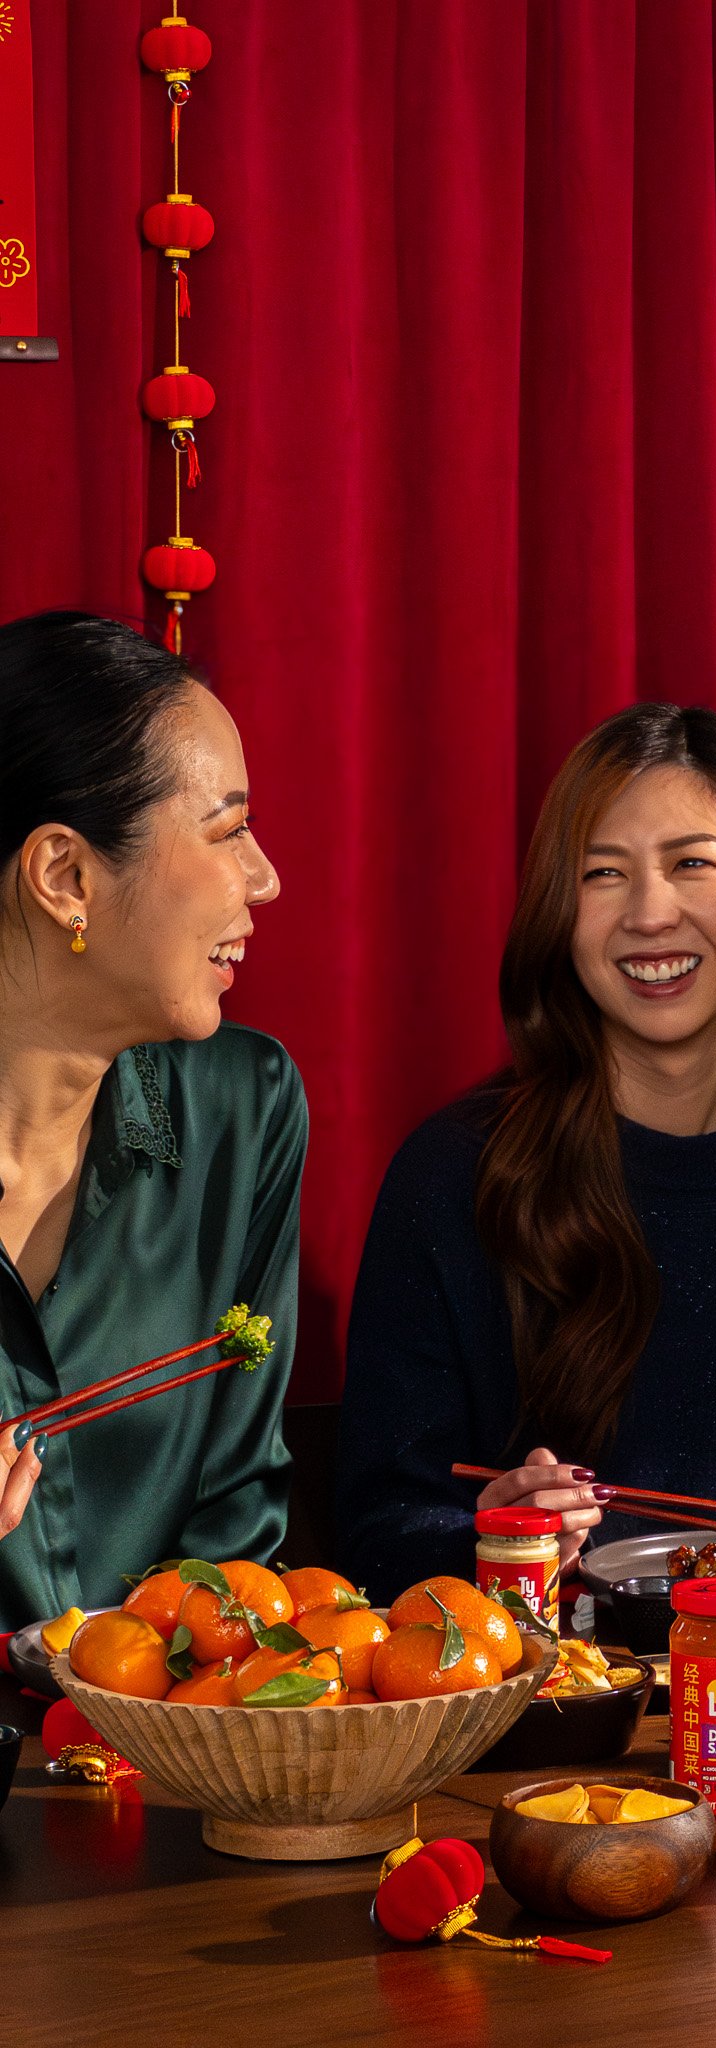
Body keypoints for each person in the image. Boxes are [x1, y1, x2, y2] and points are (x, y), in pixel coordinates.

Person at [338, 703, 716, 1597]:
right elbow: (371, 1533)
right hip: (539, 1706)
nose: (651, 914)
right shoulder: (456, 1173)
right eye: (603, 874)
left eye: (692, 863)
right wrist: (492, 1534)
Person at [0, 611, 304, 1627]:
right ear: (66, 877)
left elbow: (232, 1559)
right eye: (227, 830)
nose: (264, 877)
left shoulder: (242, 1114)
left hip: (164, 1769)